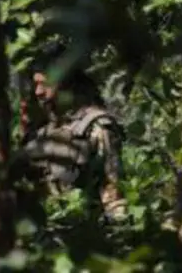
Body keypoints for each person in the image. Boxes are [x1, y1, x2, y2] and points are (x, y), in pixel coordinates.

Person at [11, 42, 128, 222]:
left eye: (45, 84)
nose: (39, 92)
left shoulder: (96, 126)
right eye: (36, 85)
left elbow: (112, 190)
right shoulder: (40, 130)